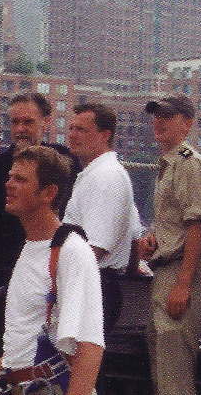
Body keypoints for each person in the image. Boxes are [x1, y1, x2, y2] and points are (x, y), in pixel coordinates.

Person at [0, 93, 76, 394]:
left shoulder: (65, 165)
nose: (21, 129)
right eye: (15, 122)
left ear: (46, 122)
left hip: (47, 289)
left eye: (29, 121)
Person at [0, 145, 104, 395]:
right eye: (10, 176)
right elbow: (25, 329)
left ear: (49, 193)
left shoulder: (72, 251)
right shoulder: (29, 246)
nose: (9, 184)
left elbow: (89, 347)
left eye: (20, 179)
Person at [136, 95, 201, 395]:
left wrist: (182, 285)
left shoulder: (188, 164)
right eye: (156, 116)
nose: (158, 121)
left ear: (187, 124)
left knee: (174, 384)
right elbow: (180, 223)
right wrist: (156, 239)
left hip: (182, 276)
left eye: (167, 116)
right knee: (164, 377)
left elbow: (198, 225)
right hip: (167, 273)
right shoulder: (169, 165)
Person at [62, 103, 139, 337]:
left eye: (81, 130)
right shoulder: (98, 173)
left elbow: (95, 248)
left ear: (105, 135)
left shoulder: (105, 177)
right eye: (71, 128)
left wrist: (56, 285)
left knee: (83, 370)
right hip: (95, 286)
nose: (72, 135)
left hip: (93, 287)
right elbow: (135, 234)